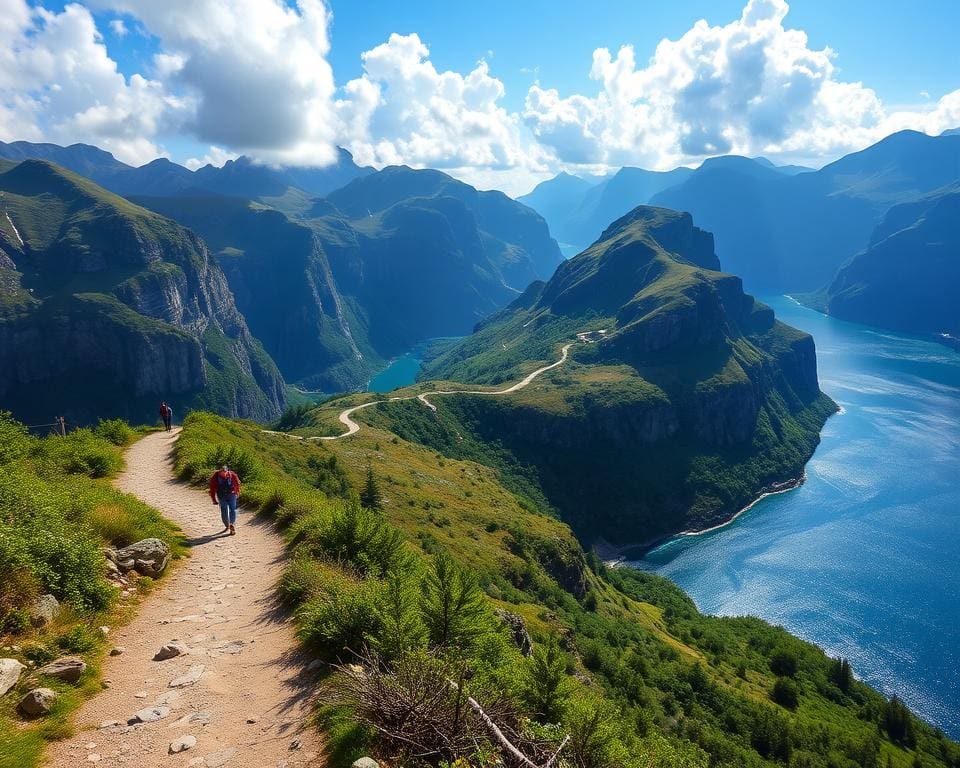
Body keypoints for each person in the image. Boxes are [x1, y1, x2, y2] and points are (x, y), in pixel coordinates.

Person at [209, 464, 241, 535]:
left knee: (224, 510)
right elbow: (237, 484)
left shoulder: (215, 476)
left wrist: (213, 499)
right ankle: (232, 523)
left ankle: (227, 525)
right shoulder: (232, 474)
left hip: (221, 495)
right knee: (233, 509)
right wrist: (237, 492)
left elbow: (212, 489)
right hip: (232, 494)